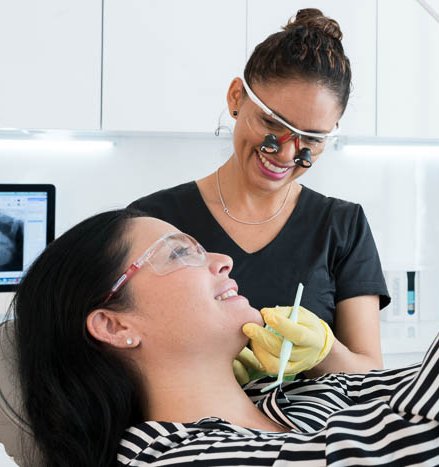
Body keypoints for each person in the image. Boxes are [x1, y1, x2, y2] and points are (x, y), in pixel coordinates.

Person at [12, 67, 439, 466]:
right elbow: (435, 442)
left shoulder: (297, 400)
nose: (222, 256)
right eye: (182, 252)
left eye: (312, 141)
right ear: (115, 323)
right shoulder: (169, 456)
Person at [128, 9, 389, 377]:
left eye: (312, 138)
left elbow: (370, 374)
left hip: (312, 433)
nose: (285, 152)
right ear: (237, 98)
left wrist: (323, 352)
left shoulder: (342, 226)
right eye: (271, 122)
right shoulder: (153, 222)